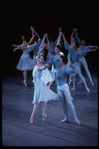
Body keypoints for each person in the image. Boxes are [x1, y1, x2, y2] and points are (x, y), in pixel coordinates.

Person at [30, 51, 58, 124]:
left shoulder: (41, 67)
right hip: (37, 86)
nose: (40, 59)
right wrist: (42, 48)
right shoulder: (36, 64)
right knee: (39, 102)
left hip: (40, 86)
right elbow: (38, 53)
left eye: (41, 58)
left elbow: (42, 69)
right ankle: (39, 115)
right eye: (39, 58)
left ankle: (38, 115)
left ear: (43, 61)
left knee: (39, 102)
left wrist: (45, 66)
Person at [56, 55, 81, 125]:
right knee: (63, 103)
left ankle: (76, 118)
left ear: (63, 62)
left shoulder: (66, 68)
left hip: (64, 86)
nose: (59, 61)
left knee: (69, 103)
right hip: (59, 87)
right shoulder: (58, 67)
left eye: (60, 61)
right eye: (59, 60)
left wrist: (73, 71)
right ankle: (66, 117)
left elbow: (72, 72)